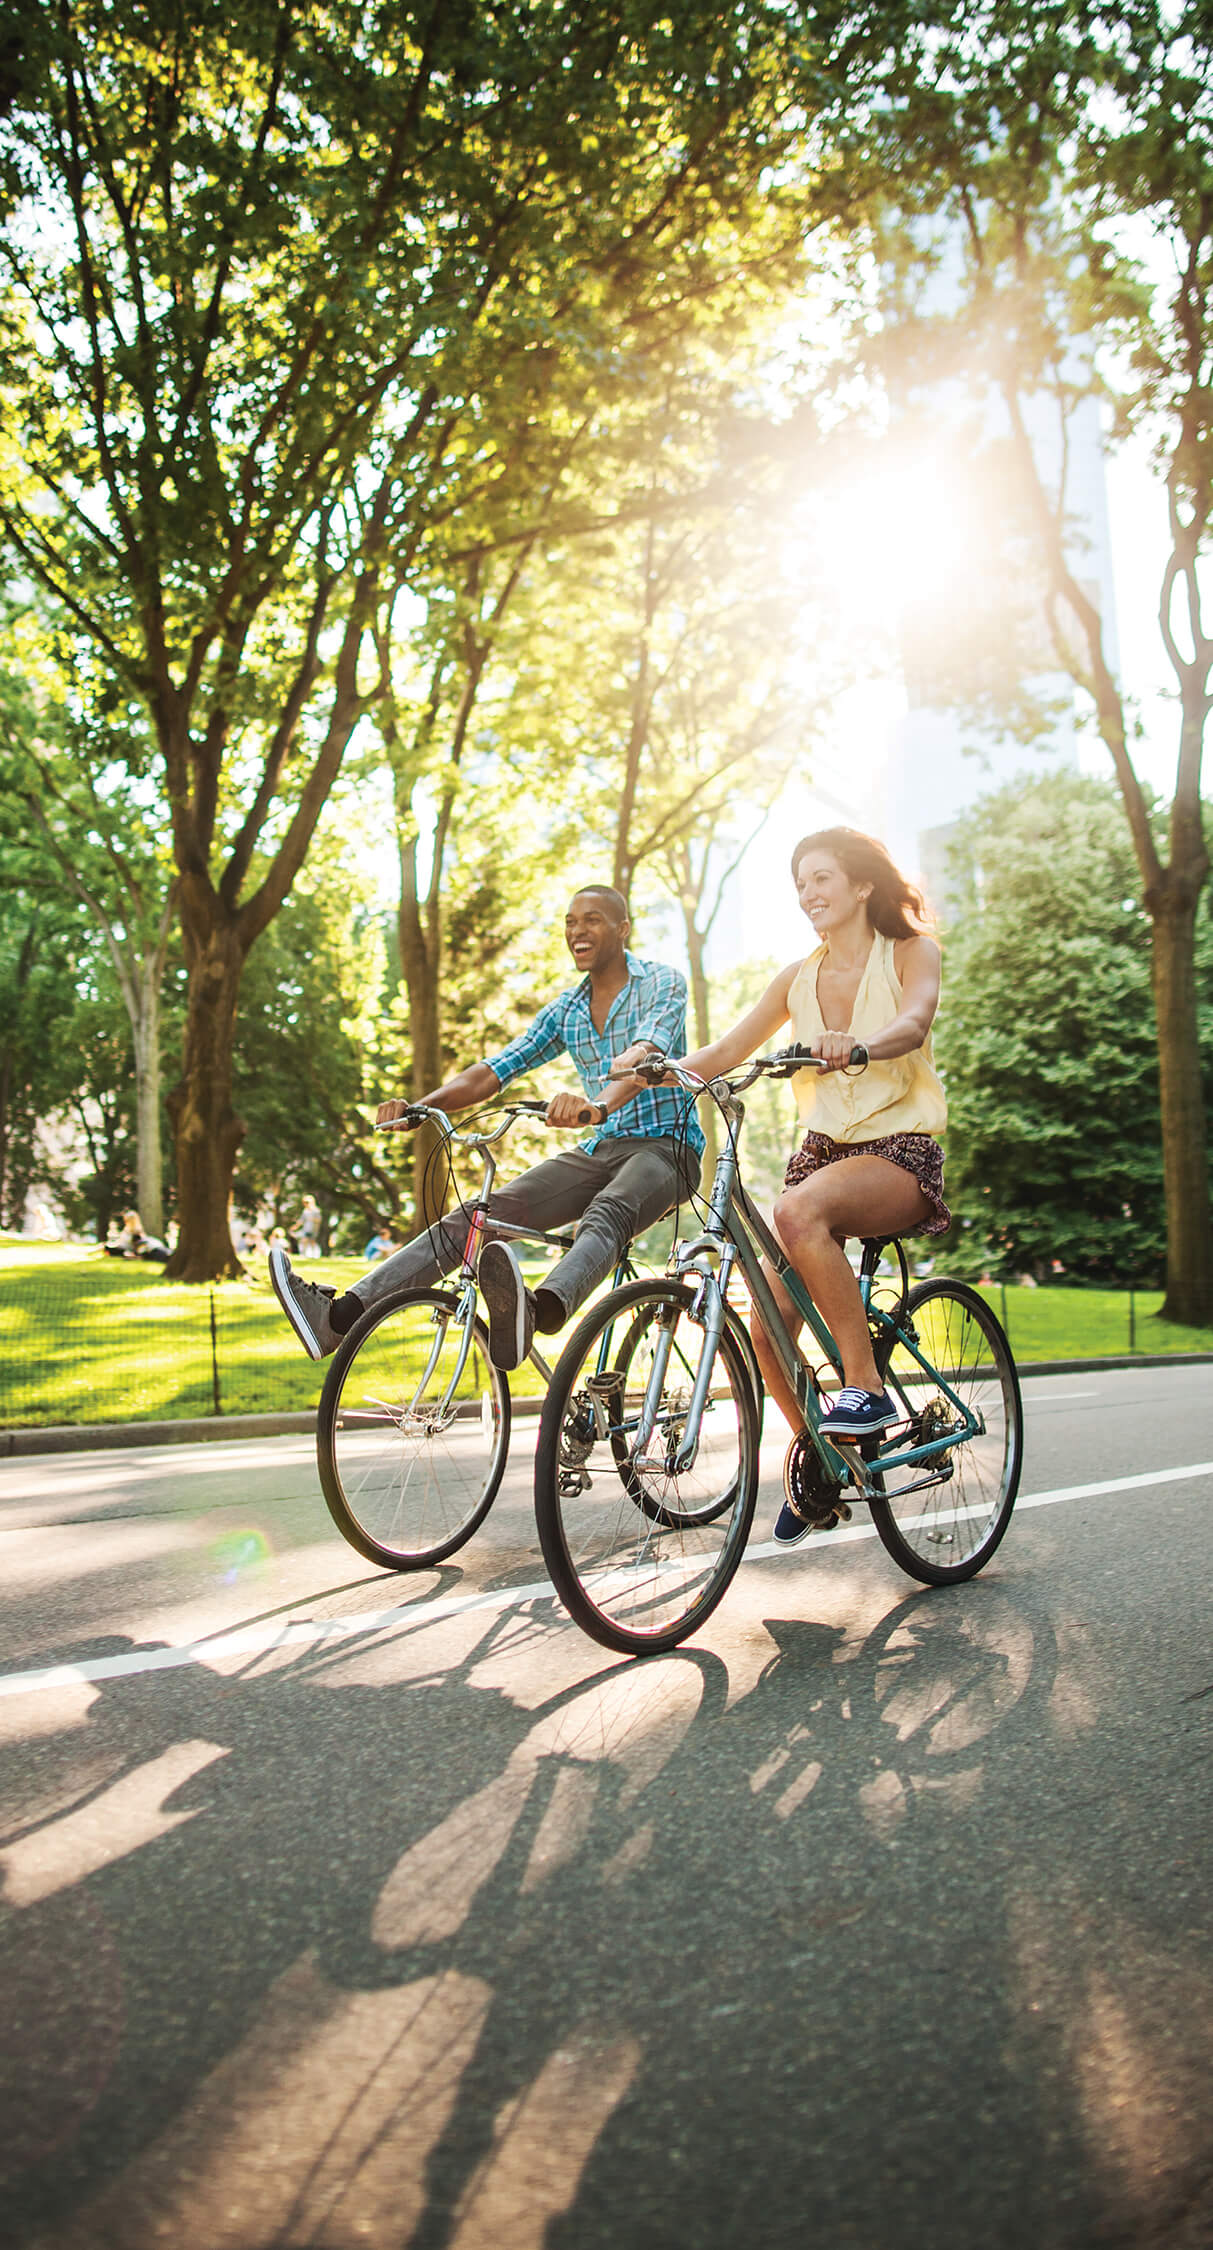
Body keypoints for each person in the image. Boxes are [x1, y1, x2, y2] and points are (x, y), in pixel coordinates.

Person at [614, 827, 949, 1546]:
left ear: (861, 886)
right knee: (763, 1321)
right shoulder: (797, 976)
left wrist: (858, 1045)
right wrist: (634, 1081)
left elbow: (914, 1020)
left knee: (795, 1209)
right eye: (800, 884)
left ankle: (865, 1389)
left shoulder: (909, 952)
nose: (809, 894)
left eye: (822, 878)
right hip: (824, 1155)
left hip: (898, 1153)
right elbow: (726, 1052)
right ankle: (823, 1465)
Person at [269, 885, 704, 1369]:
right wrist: (420, 1107)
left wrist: (595, 1106)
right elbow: (494, 1070)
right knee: (477, 1217)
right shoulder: (568, 1009)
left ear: (623, 929)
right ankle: (337, 1317)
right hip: (600, 1148)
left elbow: (643, 1054)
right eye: (570, 921)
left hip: (668, 1149)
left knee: (606, 1212)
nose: (578, 930)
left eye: (593, 919)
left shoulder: (662, 983)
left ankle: (537, 1311)